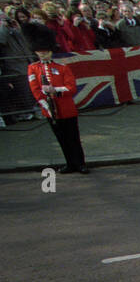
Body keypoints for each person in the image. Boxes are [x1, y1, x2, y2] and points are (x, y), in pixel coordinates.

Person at [28, 26, 87, 173]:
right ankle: (70, 163)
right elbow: (35, 89)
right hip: (49, 109)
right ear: (36, 53)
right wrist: (45, 104)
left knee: (73, 138)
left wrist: (55, 90)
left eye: (46, 52)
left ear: (51, 52)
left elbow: (71, 88)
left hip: (66, 107)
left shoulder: (62, 67)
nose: (43, 55)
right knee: (62, 139)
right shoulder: (33, 68)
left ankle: (80, 163)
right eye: (40, 53)